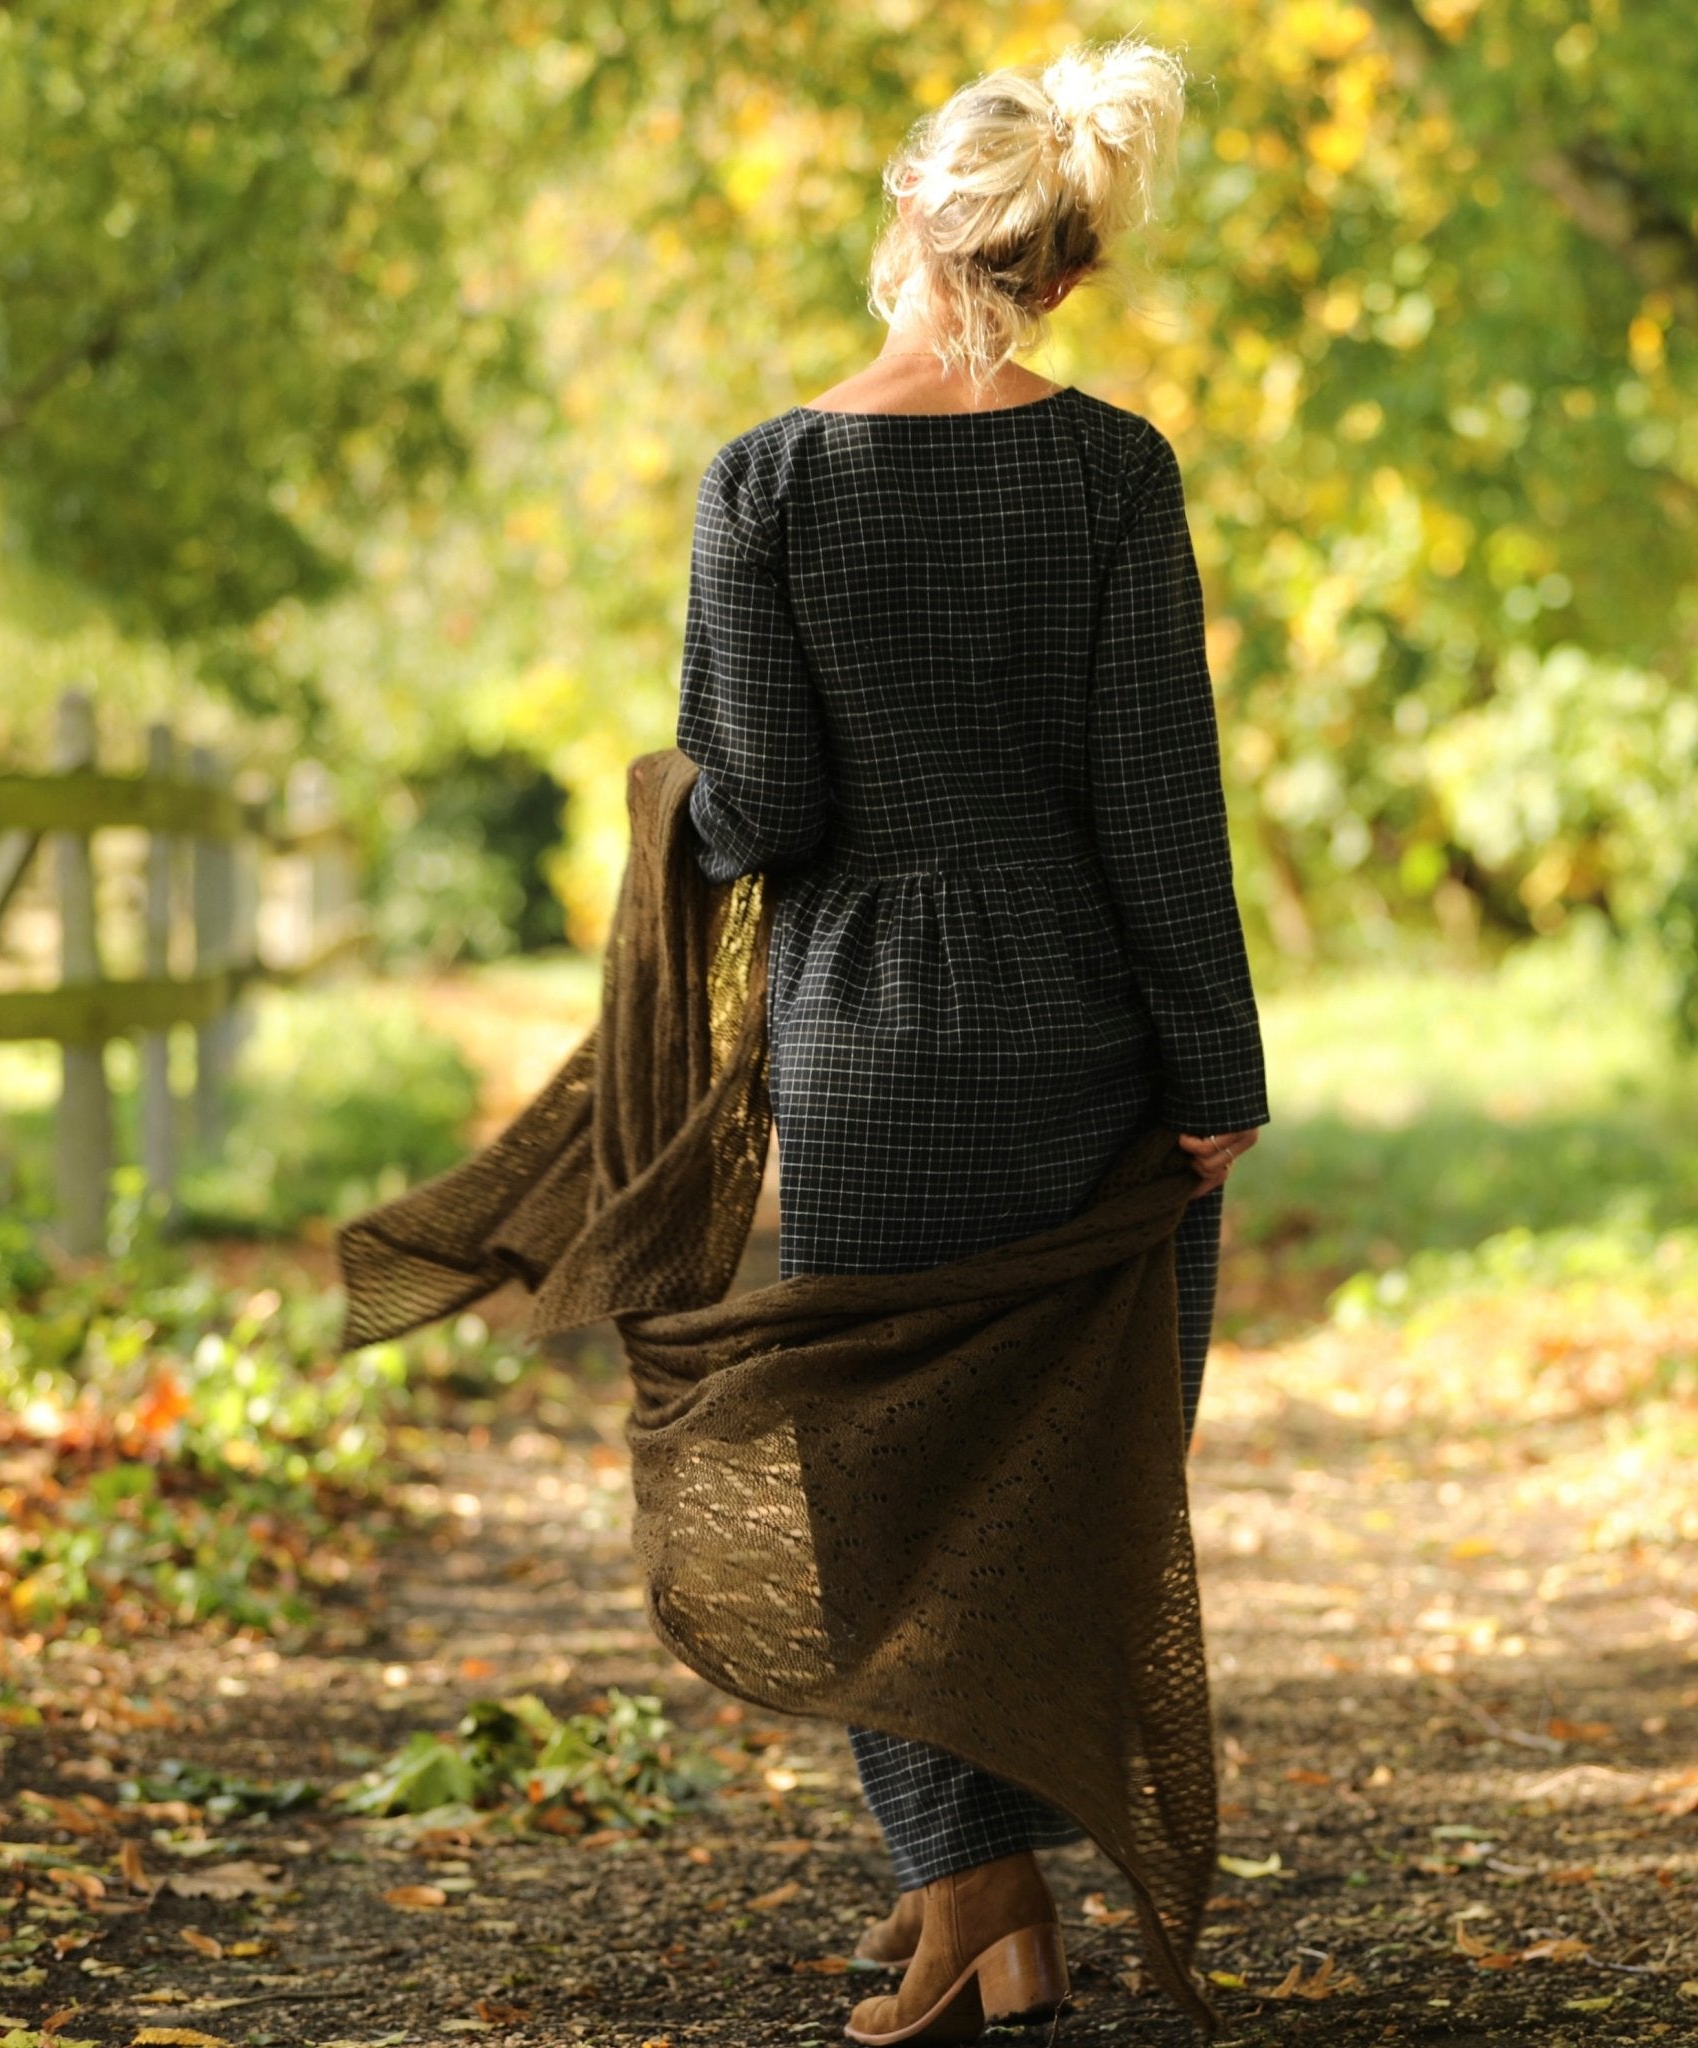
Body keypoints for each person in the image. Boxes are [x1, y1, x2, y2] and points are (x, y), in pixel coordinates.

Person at [674, 35, 1267, 2046]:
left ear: (906, 216)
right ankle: (978, 1900)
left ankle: (982, 1903)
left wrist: (678, 806)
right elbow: (1156, 801)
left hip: (869, 1044)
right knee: (1059, 1479)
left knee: (882, 1483)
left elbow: (766, 809)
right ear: (1069, 269)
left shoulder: (764, 482)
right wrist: (1214, 1073)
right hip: (1081, 1039)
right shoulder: (1115, 472)